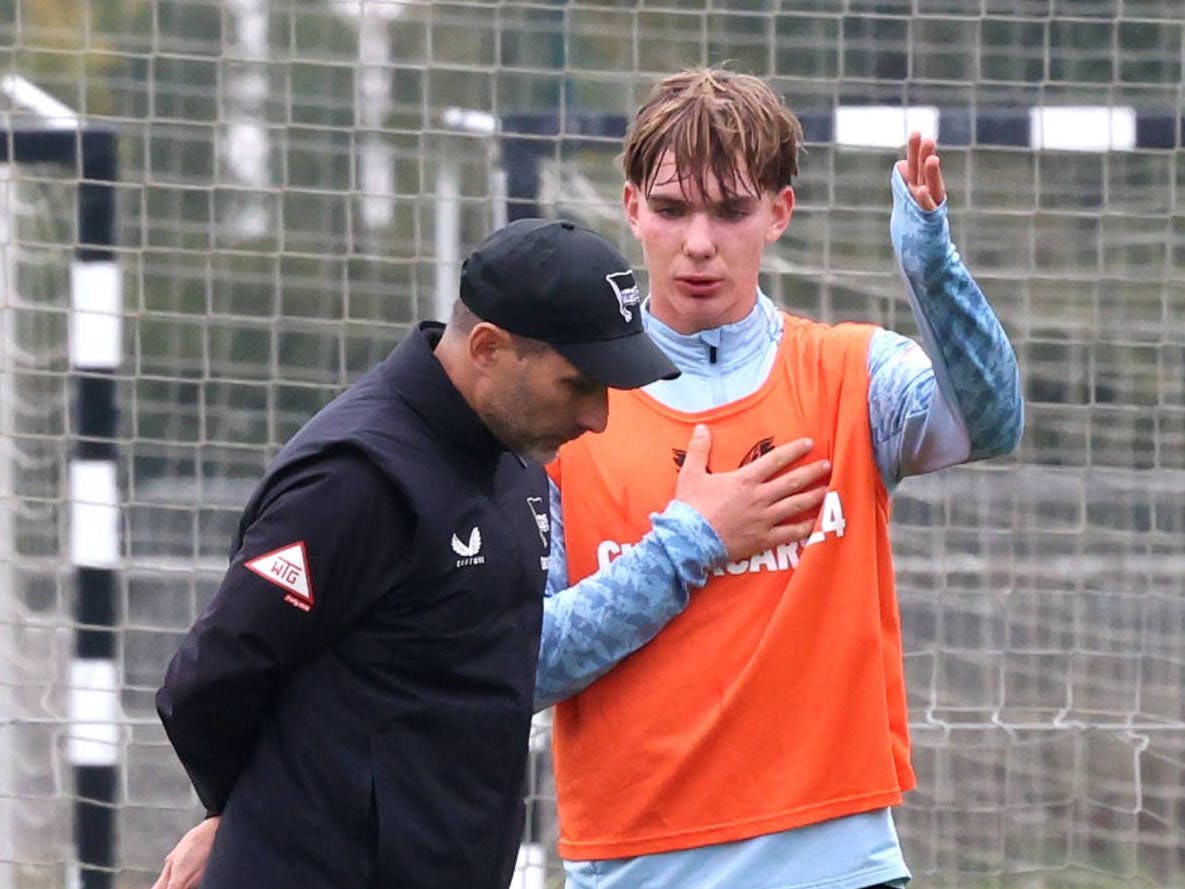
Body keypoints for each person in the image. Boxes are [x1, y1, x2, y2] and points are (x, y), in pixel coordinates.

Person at [151, 216, 833, 889]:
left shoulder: (516, 463)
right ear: (487, 348)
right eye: (578, 383)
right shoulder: (355, 479)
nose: (597, 416)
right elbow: (208, 680)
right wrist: (235, 815)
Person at [533, 68, 1024, 889]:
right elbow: (525, 659)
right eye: (671, 208)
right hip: (635, 871)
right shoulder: (566, 412)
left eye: (728, 210)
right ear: (630, 209)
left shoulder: (852, 373)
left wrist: (930, 267)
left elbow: (993, 421)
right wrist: (690, 543)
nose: (698, 241)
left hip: (840, 865)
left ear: (777, 214)